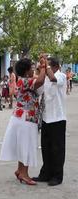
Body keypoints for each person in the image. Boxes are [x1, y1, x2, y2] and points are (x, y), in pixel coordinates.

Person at [0, 57, 46, 185]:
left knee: (23, 145)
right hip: (26, 118)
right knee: (27, 145)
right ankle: (24, 174)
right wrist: (43, 67)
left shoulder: (23, 80)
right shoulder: (25, 81)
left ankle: (20, 171)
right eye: (31, 68)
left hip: (22, 117)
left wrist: (39, 68)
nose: (33, 70)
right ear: (26, 72)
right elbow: (41, 81)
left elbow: (37, 80)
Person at [32, 57, 67, 186]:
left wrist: (45, 65)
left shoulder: (61, 76)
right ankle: (46, 174)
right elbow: (36, 89)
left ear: (56, 66)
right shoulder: (45, 79)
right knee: (46, 148)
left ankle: (57, 176)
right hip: (46, 118)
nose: (45, 69)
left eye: (48, 66)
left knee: (57, 149)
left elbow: (53, 79)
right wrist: (38, 70)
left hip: (58, 118)